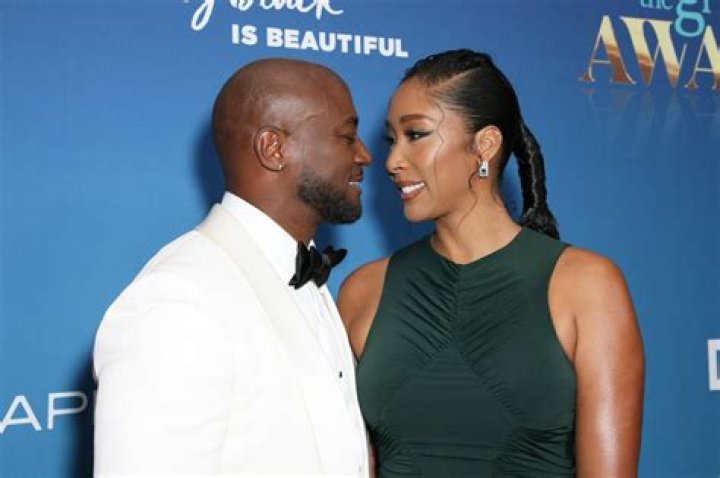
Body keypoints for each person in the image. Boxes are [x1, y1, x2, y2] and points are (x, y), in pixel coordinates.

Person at [339, 49, 644, 477]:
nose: (392, 162)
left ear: (485, 145)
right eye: (393, 140)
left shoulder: (586, 286)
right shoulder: (364, 292)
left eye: (417, 134)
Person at [94, 58, 372, 476]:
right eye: (347, 137)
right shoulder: (179, 299)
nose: (365, 155)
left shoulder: (303, 272)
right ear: (274, 148)